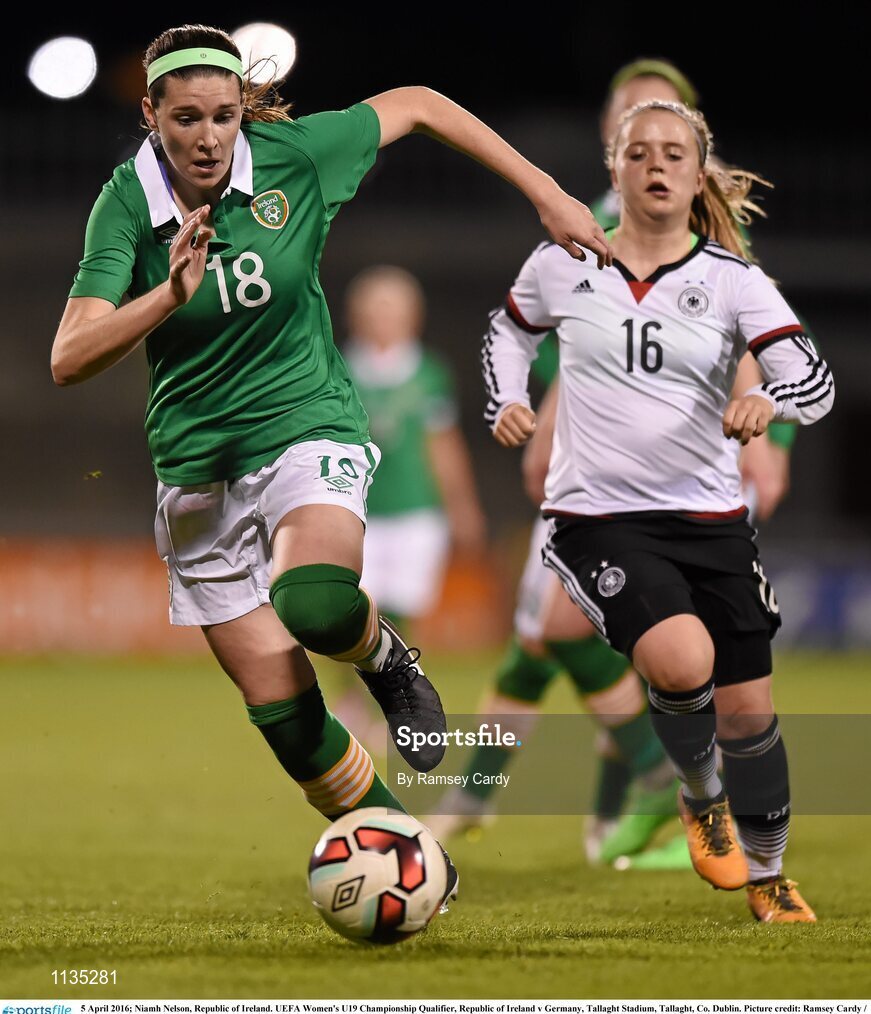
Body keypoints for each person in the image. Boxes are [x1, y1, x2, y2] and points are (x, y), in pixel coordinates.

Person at [50, 23, 610, 902]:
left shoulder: (295, 156)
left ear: (243, 113)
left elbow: (419, 104)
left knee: (312, 601)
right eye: (186, 118)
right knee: (287, 720)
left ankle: (388, 663)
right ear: (151, 115)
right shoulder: (127, 202)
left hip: (305, 425)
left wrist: (547, 194)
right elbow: (68, 357)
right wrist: (165, 295)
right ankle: (414, 859)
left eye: (224, 116)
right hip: (195, 471)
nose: (207, 137)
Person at [482, 98, 833, 921]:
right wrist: (507, 398)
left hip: (710, 520)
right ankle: (700, 794)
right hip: (597, 518)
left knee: (748, 713)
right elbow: (508, 330)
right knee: (680, 661)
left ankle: (769, 875)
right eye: (639, 152)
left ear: (697, 173)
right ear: (614, 169)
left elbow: (811, 382)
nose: (656, 165)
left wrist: (769, 401)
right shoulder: (563, 262)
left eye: (674, 153)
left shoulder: (732, 280)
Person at [331, 265, 487, 746]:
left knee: (400, 611)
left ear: (413, 317)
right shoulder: (338, 369)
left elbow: (443, 444)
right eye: (375, 309)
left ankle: (392, 704)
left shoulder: (428, 374)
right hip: (354, 510)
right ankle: (351, 701)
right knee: (351, 612)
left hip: (416, 511)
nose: (384, 319)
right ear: (355, 315)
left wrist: (462, 505)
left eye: (394, 309)